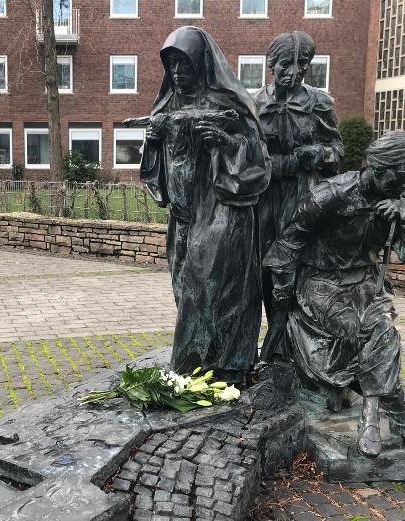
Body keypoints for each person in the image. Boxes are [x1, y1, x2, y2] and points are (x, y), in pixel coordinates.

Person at [263, 131, 405, 457]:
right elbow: (286, 246)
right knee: (363, 327)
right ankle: (397, 420)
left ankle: (372, 416)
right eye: (404, 176)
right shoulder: (329, 195)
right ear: (380, 168)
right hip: (321, 283)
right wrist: (282, 298)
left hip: (365, 284)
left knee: (382, 328)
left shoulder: (399, 201)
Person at [139, 26, 270, 383]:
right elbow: (159, 171)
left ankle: (223, 364)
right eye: (172, 66)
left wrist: (227, 142)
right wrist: (153, 142)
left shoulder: (229, 105)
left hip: (224, 210)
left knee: (215, 287)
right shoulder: (168, 104)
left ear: (202, 64)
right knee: (186, 288)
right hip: (184, 215)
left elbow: (260, 161)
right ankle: (200, 360)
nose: (178, 73)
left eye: (185, 64)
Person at [255, 31, 343, 347]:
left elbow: (337, 149)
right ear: (270, 64)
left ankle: (294, 340)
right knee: (266, 266)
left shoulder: (319, 102)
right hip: (264, 197)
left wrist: (318, 154)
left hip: (303, 196)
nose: (293, 72)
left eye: (301, 64)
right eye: (285, 65)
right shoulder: (255, 102)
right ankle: (275, 334)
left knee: (298, 266)